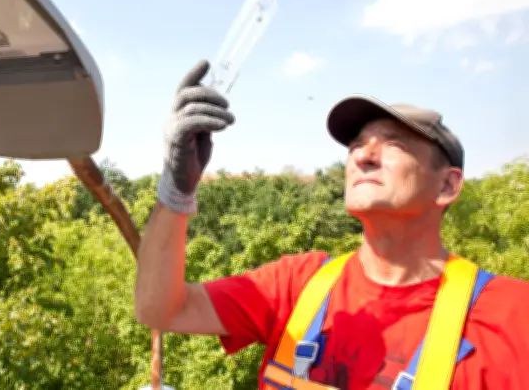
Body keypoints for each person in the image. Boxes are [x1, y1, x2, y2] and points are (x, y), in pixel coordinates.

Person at [134, 60, 529, 390]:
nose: (363, 156)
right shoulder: (298, 284)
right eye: (357, 145)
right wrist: (176, 188)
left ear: (447, 185)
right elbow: (160, 310)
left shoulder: (513, 317)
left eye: (394, 144)